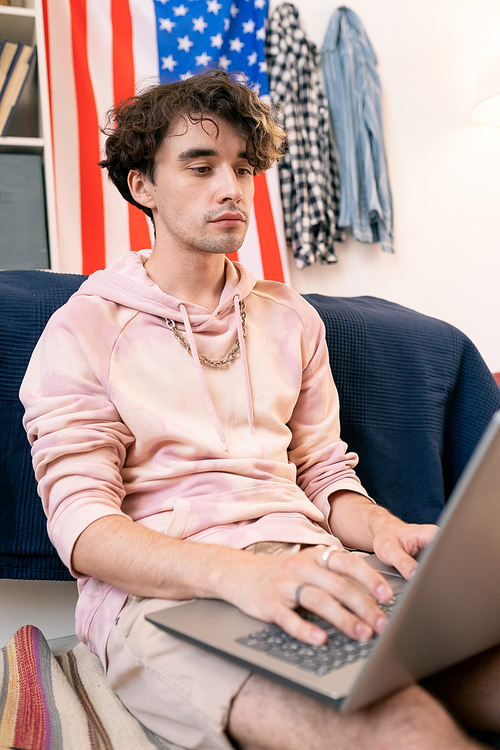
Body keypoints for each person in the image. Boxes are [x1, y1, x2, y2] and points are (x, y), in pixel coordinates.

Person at [20, 70, 500, 750]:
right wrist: (243, 574)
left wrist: (382, 529)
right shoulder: (81, 332)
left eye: (243, 169)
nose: (231, 188)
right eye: (200, 165)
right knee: (407, 730)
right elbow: (84, 530)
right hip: (166, 600)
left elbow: (324, 474)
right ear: (142, 187)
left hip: (316, 566)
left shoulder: (290, 317)